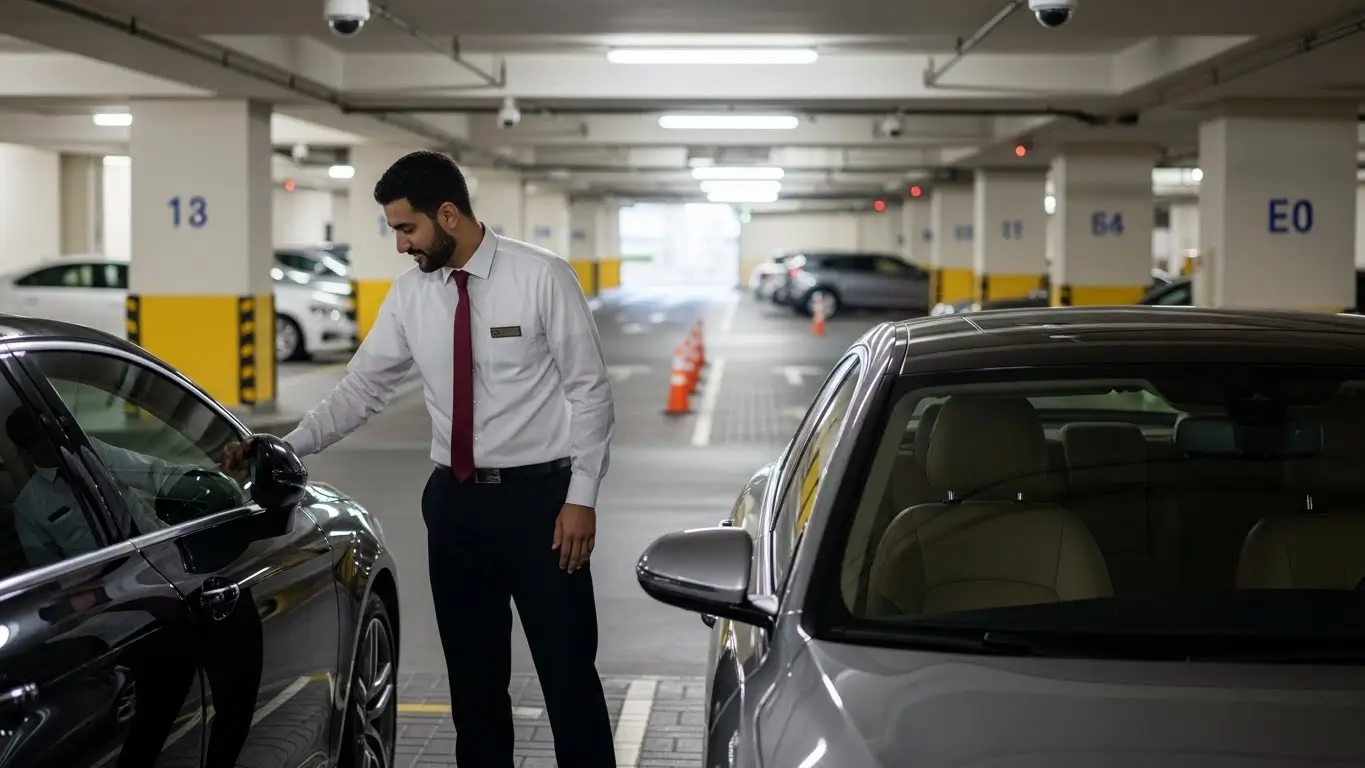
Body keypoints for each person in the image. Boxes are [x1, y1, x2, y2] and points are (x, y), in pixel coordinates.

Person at [225, 150, 616, 767]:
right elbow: (363, 388)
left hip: (543, 507)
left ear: (449, 215)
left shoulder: (542, 277)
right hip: (456, 508)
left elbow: (589, 391)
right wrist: (288, 444)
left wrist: (582, 498)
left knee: (568, 676)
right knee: (473, 684)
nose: (401, 244)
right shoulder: (411, 295)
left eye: (407, 228)